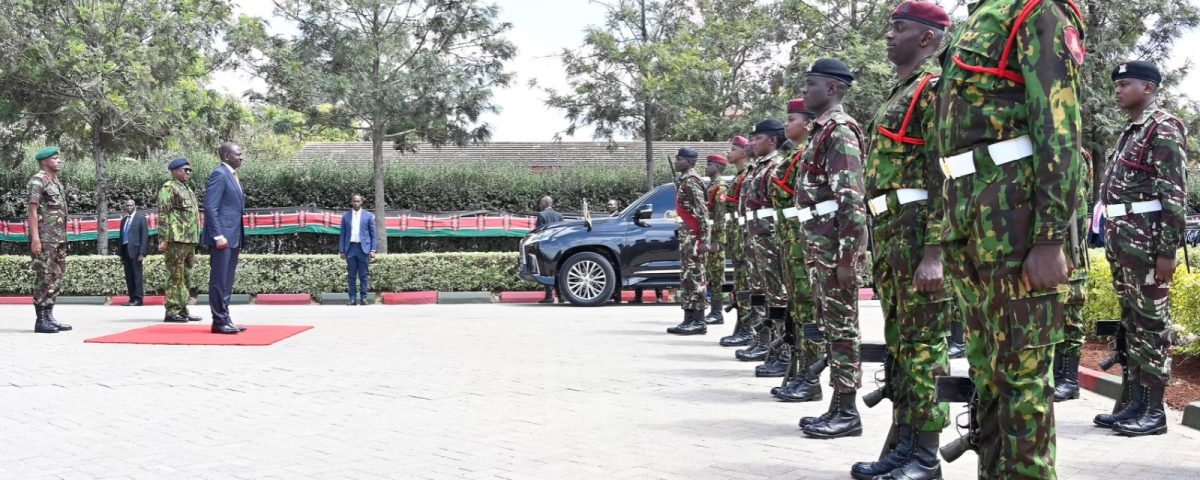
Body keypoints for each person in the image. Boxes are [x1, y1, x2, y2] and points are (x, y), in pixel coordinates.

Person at [935, 0, 1085, 475]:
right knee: (987, 374)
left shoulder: (1037, 10)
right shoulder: (982, 15)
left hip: (1012, 212)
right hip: (969, 209)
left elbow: (1059, 127)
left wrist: (1050, 238)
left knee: (1021, 377)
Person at [851, 3, 950, 478]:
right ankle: (905, 446)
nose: (889, 35)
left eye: (900, 27)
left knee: (924, 345)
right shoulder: (902, 91)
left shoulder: (932, 89)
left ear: (927, 38)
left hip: (916, 233)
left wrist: (935, 252)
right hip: (893, 231)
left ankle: (926, 456)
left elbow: (943, 171)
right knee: (903, 344)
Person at [1094, 60, 1187, 437]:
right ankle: (1135, 404)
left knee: (1152, 324)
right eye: (1116, 84)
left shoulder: (1163, 127)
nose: (1117, 90)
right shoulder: (1131, 130)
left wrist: (1167, 252)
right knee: (1133, 322)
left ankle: (1154, 412)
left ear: (1148, 88)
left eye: (1125, 84)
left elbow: (1174, 195)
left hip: (1147, 242)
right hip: (1124, 239)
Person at [791, 58, 867, 439]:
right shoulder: (821, 131)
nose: (805, 91)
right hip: (820, 244)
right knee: (830, 324)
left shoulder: (839, 130)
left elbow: (851, 199)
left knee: (842, 327)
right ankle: (837, 406)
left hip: (835, 246)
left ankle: (848, 411)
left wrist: (848, 258)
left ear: (832, 89)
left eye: (812, 84)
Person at [770, 98, 823, 402]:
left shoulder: (808, 153)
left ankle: (811, 376)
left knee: (808, 310)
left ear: (807, 123)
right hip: (791, 242)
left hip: (804, 243)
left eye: (791, 119)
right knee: (798, 310)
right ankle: (802, 370)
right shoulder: (796, 155)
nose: (786, 124)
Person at [743, 119, 792, 377]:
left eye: (757, 138)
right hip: (758, 238)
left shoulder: (776, 165)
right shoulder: (760, 166)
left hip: (771, 239)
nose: (752, 143)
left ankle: (785, 353)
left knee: (779, 297)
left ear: (772, 140)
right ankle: (771, 346)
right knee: (767, 295)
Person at [1055, 151, 1091, 402]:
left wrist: (1068, 251)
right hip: (1054, 252)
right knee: (1054, 317)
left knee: (1069, 317)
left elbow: (1075, 205)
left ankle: (1068, 380)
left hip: (1069, 252)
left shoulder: (1073, 154)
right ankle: (1056, 375)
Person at [203, 143, 249, 335]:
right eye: (238, 154)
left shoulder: (231, 175)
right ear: (227, 156)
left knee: (227, 280)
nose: (242, 157)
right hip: (222, 237)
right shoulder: (220, 174)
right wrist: (218, 235)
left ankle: (225, 318)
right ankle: (219, 321)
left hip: (233, 236)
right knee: (219, 280)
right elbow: (210, 206)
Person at [666, 148, 713, 335]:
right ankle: (689, 318)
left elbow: (702, 212)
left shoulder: (692, 181)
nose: (676, 162)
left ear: (690, 162)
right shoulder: (684, 180)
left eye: (680, 159)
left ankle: (699, 321)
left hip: (694, 237)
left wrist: (705, 240)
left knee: (696, 278)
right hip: (687, 237)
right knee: (687, 278)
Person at [27, 146, 72, 333]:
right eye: (54, 158)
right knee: (44, 276)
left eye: (59, 158)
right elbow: (32, 210)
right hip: (45, 238)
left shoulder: (56, 181)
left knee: (56, 275)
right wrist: (35, 239)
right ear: (44, 161)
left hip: (58, 238)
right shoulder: (38, 180)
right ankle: (41, 320)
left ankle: (49, 316)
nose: (59, 160)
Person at [719, 136, 757, 347]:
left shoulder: (746, 176)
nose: (728, 152)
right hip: (737, 238)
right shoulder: (739, 177)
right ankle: (742, 326)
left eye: (732, 148)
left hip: (744, 239)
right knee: (740, 284)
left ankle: (747, 329)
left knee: (745, 285)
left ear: (742, 153)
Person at [158, 158, 203, 323]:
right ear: (175, 171)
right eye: (185, 169)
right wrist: (164, 239)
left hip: (189, 239)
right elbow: (163, 214)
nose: (188, 172)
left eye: (190, 170)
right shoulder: (168, 188)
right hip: (175, 239)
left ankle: (183, 310)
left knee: (186, 275)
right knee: (175, 275)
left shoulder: (187, 189)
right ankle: (172, 311)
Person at [702, 154, 729, 325]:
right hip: (709, 235)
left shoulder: (720, 187)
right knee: (711, 274)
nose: (706, 167)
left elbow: (721, 217)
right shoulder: (711, 185)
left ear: (717, 168)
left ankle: (717, 312)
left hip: (715, 237)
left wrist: (717, 241)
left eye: (709, 164)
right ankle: (713, 310)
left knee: (717, 275)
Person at [339, 194, 377, 306]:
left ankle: (364, 298)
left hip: (363, 249)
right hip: (350, 248)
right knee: (351, 275)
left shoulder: (368, 216)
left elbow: (373, 234)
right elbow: (342, 234)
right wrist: (342, 250)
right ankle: (352, 299)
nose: (356, 203)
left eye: (358, 201)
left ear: (361, 202)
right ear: (351, 202)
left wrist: (373, 249)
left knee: (363, 275)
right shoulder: (346, 216)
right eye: (354, 201)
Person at [117, 198, 150, 306]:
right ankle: (131, 299)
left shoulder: (141, 218)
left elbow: (144, 236)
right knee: (129, 277)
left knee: (137, 276)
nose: (129, 207)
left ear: (135, 206)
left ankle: (138, 299)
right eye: (127, 205)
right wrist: (120, 253)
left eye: (131, 205)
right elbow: (121, 237)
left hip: (136, 252)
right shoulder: (123, 220)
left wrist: (142, 253)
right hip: (125, 250)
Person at [535, 195, 564, 304]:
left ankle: (549, 296)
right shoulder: (559, 215)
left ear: (545, 203)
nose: (539, 205)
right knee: (558, 271)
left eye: (540, 202)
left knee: (547, 272)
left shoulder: (541, 215)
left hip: (546, 247)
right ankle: (561, 296)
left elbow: (539, 232)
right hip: (558, 247)